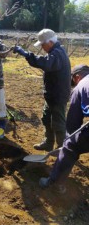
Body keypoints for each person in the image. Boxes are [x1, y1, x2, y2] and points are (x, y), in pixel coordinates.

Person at [13, 29, 71, 151]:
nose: (42, 47)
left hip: (58, 96)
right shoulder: (55, 52)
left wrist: (26, 54)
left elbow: (45, 63)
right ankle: (48, 143)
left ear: (50, 42)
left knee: (58, 123)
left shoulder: (58, 53)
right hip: (52, 95)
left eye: (43, 44)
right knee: (46, 118)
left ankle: (62, 148)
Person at [39, 64, 89, 193]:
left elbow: (73, 123)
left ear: (77, 77)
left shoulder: (80, 87)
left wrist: (67, 143)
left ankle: (54, 182)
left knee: (70, 148)